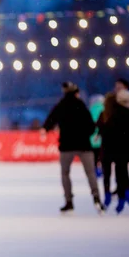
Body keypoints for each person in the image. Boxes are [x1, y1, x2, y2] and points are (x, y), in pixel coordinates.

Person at [42, 82, 104, 214]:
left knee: (65, 174)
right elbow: (91, 126)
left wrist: (47, 128)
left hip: (66, 145)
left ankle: (69, 201)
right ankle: (97, 199)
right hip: (84, 145)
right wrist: (84, 134)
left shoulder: (61, 105)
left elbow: (50, 121)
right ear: (76, 93)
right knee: (90, 173)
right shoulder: (81, 106)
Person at [89, 94, 105, 178]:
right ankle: (103, 169)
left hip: (92, 137)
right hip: (102, 137)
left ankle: (96, 170)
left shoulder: (91, 110)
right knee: (102, 155)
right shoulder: (104, 110)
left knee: (94, 156)